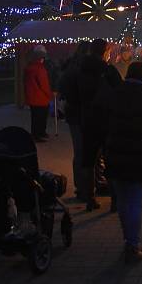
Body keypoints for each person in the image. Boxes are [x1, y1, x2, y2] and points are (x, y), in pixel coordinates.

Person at [104, 61, 142, 264]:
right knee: (136, 202)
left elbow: (100, 121)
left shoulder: (113, 92)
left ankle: (127, 239)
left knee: (122, 200)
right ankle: (132, 243)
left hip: (114, 152)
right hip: (137, 154)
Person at [77, 39, 123, 211]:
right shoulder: (108, 70)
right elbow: (120, 91)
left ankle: (89, 198)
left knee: (89, 161)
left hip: (88, 119)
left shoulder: (80, 70)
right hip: (106, 119)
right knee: (110, 159)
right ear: (104, 52)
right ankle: (114, 200)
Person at [58, 41, 90, 202]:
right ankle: (85, 188)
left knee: (80, 152)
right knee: (84, 152)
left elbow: (62, 89)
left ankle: (82, 187)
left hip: (74, 114)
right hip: (82, 114)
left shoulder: (70, 67)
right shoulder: (82, 69)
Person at [24, 45, 53, 142]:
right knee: (41, 117)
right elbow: (44, 84)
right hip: (41, 98)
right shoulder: (40, 69)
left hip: (32, 97)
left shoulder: (29, 67)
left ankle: (36, 133)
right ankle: (39, 134)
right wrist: (49, 95)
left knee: (35, 117)